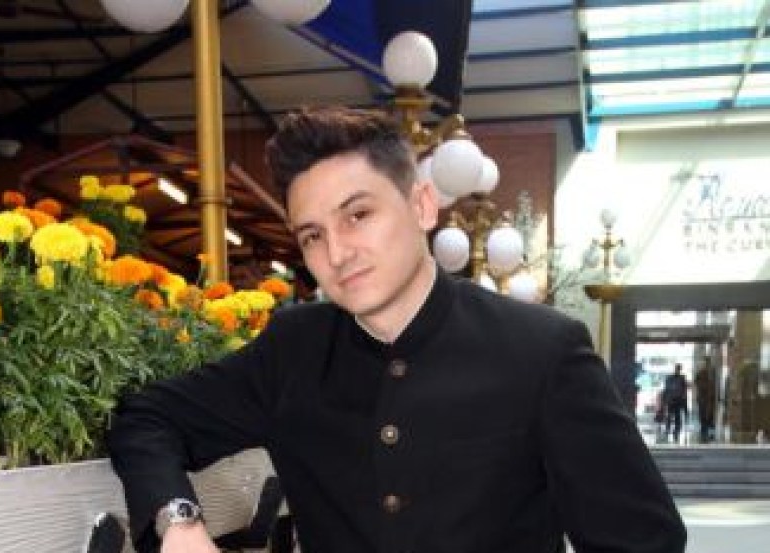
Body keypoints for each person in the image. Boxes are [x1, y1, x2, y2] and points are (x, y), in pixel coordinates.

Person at [108, 106, 686, 553]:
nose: (338, 253)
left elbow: (642, 542)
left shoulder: (542, 352)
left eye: (358, 215)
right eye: (312, 235)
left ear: (423, 206)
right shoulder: (292, 351)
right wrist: (178, 522)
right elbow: (146, 418)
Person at [663, 363, 689, 443]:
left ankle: (675, 431)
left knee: (676, 417)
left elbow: (684, 390)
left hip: (677, 400)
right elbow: (666, 389)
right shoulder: (672, 378)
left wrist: (684, 401)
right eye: (678, 368)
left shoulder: (681, 378)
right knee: (671, 416)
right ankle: (669, 429)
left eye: (679, 369)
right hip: (673, 400)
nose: (678, 370)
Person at [693, 357, 715, 443]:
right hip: (702, 398)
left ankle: (708, 432)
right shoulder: (701, 373)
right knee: (702, 414)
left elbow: (713, 385)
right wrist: (697, 395)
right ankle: (704, 431)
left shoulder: (712, 373)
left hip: (709, 398)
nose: (706, 365)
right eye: (705, 363)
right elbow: (696, 384)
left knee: (709, 415)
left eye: (707, 363)